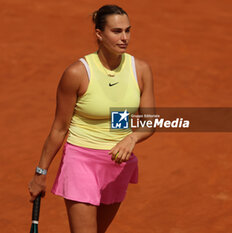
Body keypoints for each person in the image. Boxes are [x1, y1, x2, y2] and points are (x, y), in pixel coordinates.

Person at [28, 5, 155, 233]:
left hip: (116, 164)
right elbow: (59, 129)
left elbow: (150, 121)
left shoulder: (141, 70)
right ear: (99, 34)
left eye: (128, 30)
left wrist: (132, 138)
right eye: (116, 31)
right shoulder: (77, 73)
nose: (124, 37)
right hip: (81, 161)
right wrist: (41, 173)